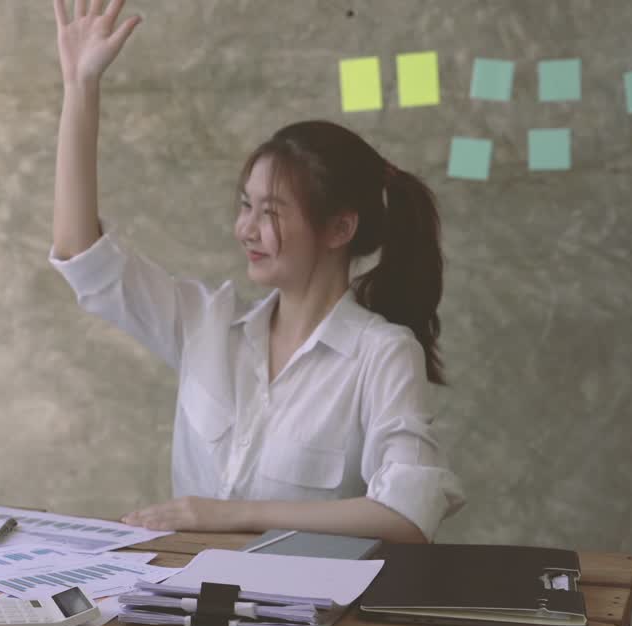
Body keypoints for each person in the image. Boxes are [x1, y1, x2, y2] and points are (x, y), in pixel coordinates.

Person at [48, 0, 465, 542]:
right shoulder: (207, 326)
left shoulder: (382, 353)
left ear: (339, 228)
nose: (246, 229)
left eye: (271, 212)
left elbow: (407, 516)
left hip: (309, 614)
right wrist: (81, 89)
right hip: (185, 604)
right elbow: (82, 255)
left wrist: (230, 514)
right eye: (245, 206)